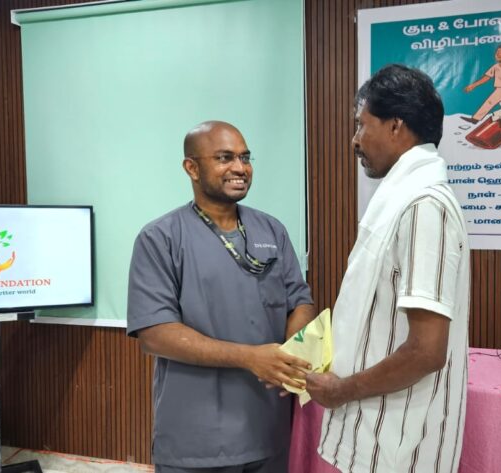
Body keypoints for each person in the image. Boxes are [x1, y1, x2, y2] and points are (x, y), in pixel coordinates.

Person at [306, 64, 471, 473]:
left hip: (398, 446)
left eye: (361, 125)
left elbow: (426, 352)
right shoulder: (401, 199)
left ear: (396, 126)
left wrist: (342, 390)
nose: (355, 140)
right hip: (375, 435)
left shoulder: (423, 207)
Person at [127, 121, 317, 473]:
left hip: (270, 432)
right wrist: (251, 358)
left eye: (245, 157)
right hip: (197, 443)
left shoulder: (272, 230)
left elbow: (300, 301)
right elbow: (155, 334)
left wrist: (291, 353)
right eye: (224, 158)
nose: (240, 168)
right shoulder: (160, 238)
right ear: (192, 168)